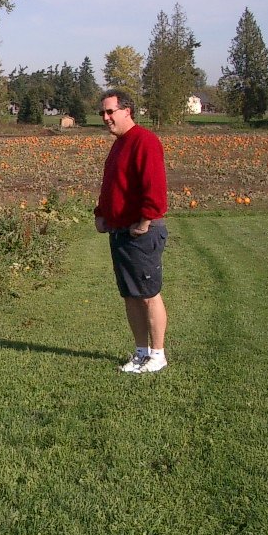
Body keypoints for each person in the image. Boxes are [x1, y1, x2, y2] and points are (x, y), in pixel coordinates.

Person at [93, 89, 169, 374]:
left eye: (110, 111)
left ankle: (158, 354)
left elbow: (154, 186)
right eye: (103, 112)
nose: (105, 117)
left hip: (141, 233)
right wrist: (101, 213)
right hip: (120, 231)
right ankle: (141, 352)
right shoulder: (119, 145)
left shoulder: (144, 141)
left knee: (148, 294)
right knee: (131, 294)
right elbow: (112, 185)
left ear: (127, 111)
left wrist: (145, 221)